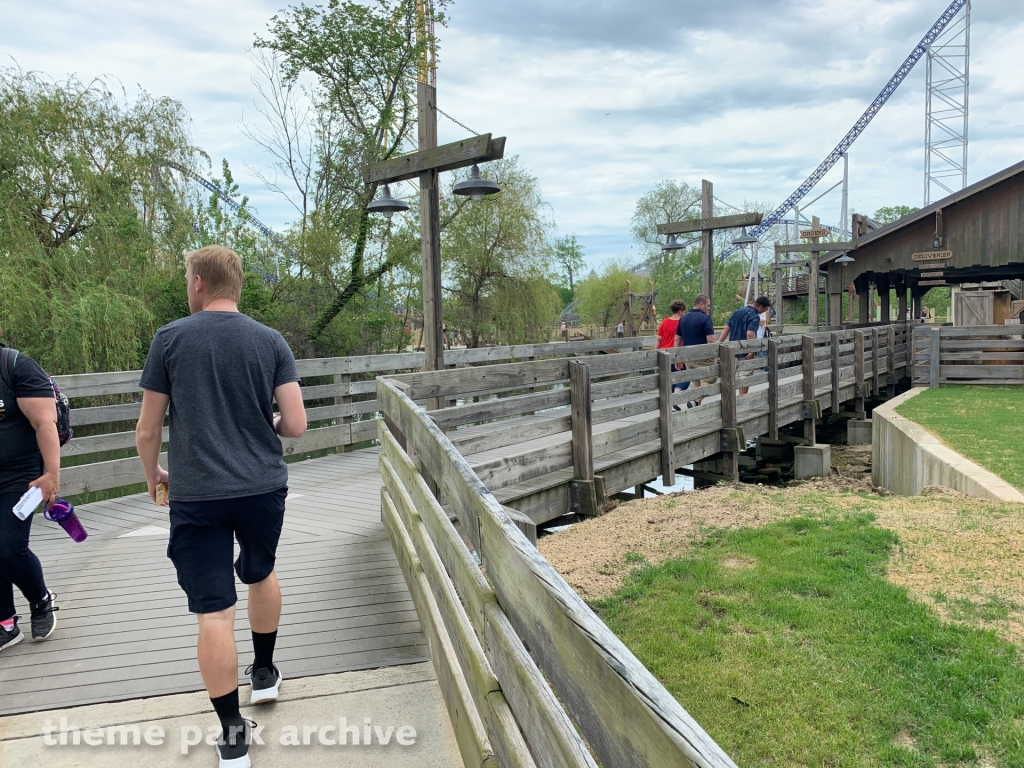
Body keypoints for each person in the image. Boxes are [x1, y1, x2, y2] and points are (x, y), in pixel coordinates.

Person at [136, 246, 308, 768]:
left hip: (196, 496)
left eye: (188, 277)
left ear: (199, 283)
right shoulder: (270, 340)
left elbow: (147, 430)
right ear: (236, 286)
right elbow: (296, 425)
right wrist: (266, 427)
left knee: (213, 612)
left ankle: (233, 735)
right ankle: (264, 673)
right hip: (261, 488)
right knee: (261, 573)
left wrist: (155, 477)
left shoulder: (169, 340)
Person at [0, 342, 60, 651]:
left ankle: (40, 599)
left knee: (9, 547)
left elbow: (44, 422)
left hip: (22, 476)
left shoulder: (16, 366)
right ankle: (6, 623)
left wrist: (51, 474)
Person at [720, 297, 771, 396]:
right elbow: (750, 334)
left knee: (731, 375)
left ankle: (730, 400)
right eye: (766, 308)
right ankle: (741, 399)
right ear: (760, 307)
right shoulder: (754, 316)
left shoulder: (737, 311)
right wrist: (752, 351)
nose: (766, 311)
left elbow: (727, 327)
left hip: (732, 349)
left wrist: (719, 343)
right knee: (745, 375)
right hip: (745, 350)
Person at [676, 295, 717, 407]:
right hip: (703, 355)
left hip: (688, 356)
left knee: (695, 382)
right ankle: (696, 401)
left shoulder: (683, 318)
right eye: (708, 305)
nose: (709, 308)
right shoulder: (705, 319)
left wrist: (677, 357)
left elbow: (677, 339)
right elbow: (711, 340)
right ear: (701, 304)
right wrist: (713, 354)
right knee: (708, 379)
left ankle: (693, 404)